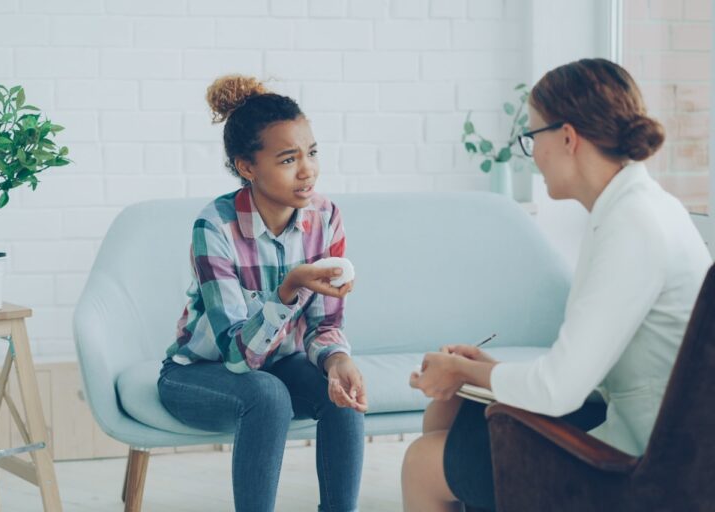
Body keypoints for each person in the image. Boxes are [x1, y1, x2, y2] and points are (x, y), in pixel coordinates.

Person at [402, 58, 712, 512]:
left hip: (641, 463)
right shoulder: (639, 208)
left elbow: (559, 390)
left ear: (567, 138)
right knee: (448, 419)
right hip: (651, 432)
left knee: (422, 463)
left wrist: (468, 372)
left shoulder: (631, 226)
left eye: (532, 137)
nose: (533, 155)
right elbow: (589, 367)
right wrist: (485, 371)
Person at [158, 75, 367, 512]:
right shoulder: (214, 226)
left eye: (311, 153)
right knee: (267, 393)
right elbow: (237, 357)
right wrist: (288, 288)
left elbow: (325, 324)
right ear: (246, 167)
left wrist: (337, 359)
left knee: (342, 389)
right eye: (288, 159)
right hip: (198, 375)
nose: (307, 169)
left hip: (277, 366)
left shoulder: (325, 217)